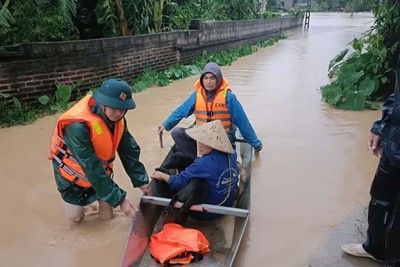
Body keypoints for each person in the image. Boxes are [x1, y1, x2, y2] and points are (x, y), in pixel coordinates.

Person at [48, 78, 151, 222]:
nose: (118, 113)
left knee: (107, 217)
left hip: (100, 174)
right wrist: (120, 199)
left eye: (122, 109)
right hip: (72, 176)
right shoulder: (77, 125)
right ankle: (84, 205)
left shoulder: (119, 119)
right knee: (76, 218)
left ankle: (103, 205)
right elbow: (90, 165)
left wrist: (142, 181)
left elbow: (129, 150)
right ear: (103, 104)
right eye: (114, 108)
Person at [341, 55, 400, 267]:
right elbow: (397, 95)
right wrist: (380, 126)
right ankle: (374, 248)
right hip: (394, 146)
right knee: (379, 200)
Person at [157, 62, 262, 159]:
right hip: (202, 137)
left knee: (219, 155)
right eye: (206, 78)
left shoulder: (229, 97)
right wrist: (166, 124)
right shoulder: (197, 96)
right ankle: (195, 161)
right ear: (202, 80)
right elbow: (181, 111)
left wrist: (256, 144)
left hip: (222, 139)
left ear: (218, 79)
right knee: (177, 133)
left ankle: (214, 161)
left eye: (212, 78)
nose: (208, 82)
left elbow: (242, 122)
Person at [151, 120, 239, 219]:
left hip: (209, 213)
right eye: (199, 141)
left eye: (205, 143)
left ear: (215, 144)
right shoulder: (232, 154)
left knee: (184, 178)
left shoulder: (203, 163)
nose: (199, 145)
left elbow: (177, 182)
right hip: (228, 203)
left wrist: (162, 175)